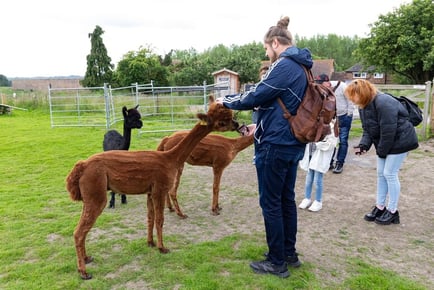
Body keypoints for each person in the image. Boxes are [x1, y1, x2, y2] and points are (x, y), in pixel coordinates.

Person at [216, 16, 312, 278]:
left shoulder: (285, 65)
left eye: (266, 48)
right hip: (291, 142)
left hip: (275, 146)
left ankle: (276, 262)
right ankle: (289, 254)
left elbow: (256, 95)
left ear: (275, 43)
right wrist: (259, 125)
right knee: (285, 201)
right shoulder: (302, 67)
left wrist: (227, 101)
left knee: (271, 203)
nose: (266, 53)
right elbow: (278, 104)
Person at [345, 79, 419, 225]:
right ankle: (380, 206)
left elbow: (388, 131)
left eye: (354, 96)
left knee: (389, 174)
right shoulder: (363, 106)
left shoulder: (384, 102)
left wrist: (382, 152)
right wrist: (363, 145)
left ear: (363, 93)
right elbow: (368, 128)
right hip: (388, 142)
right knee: (381, 173)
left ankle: (392, 211)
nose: (352, 100)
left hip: (401, 141)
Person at [315, 73, 355, 174]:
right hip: (331, 118)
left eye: (321, 83)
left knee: (343, 140)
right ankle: (329, 162)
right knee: (331, 140)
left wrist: (348, 115)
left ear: (327, 82)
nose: (319, 85)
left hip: (343, 116)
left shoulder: (342, 87)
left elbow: (350, 101)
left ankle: (339, 163)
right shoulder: (321, 90)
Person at [298, 120, 338, 212]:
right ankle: (307, 198)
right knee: (308, 179)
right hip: (311, 155)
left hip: (320, 156)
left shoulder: (331, 126)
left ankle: (318, 201)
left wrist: (318, 144)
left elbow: (331, 143)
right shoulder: (314, 122)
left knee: (317, 180)